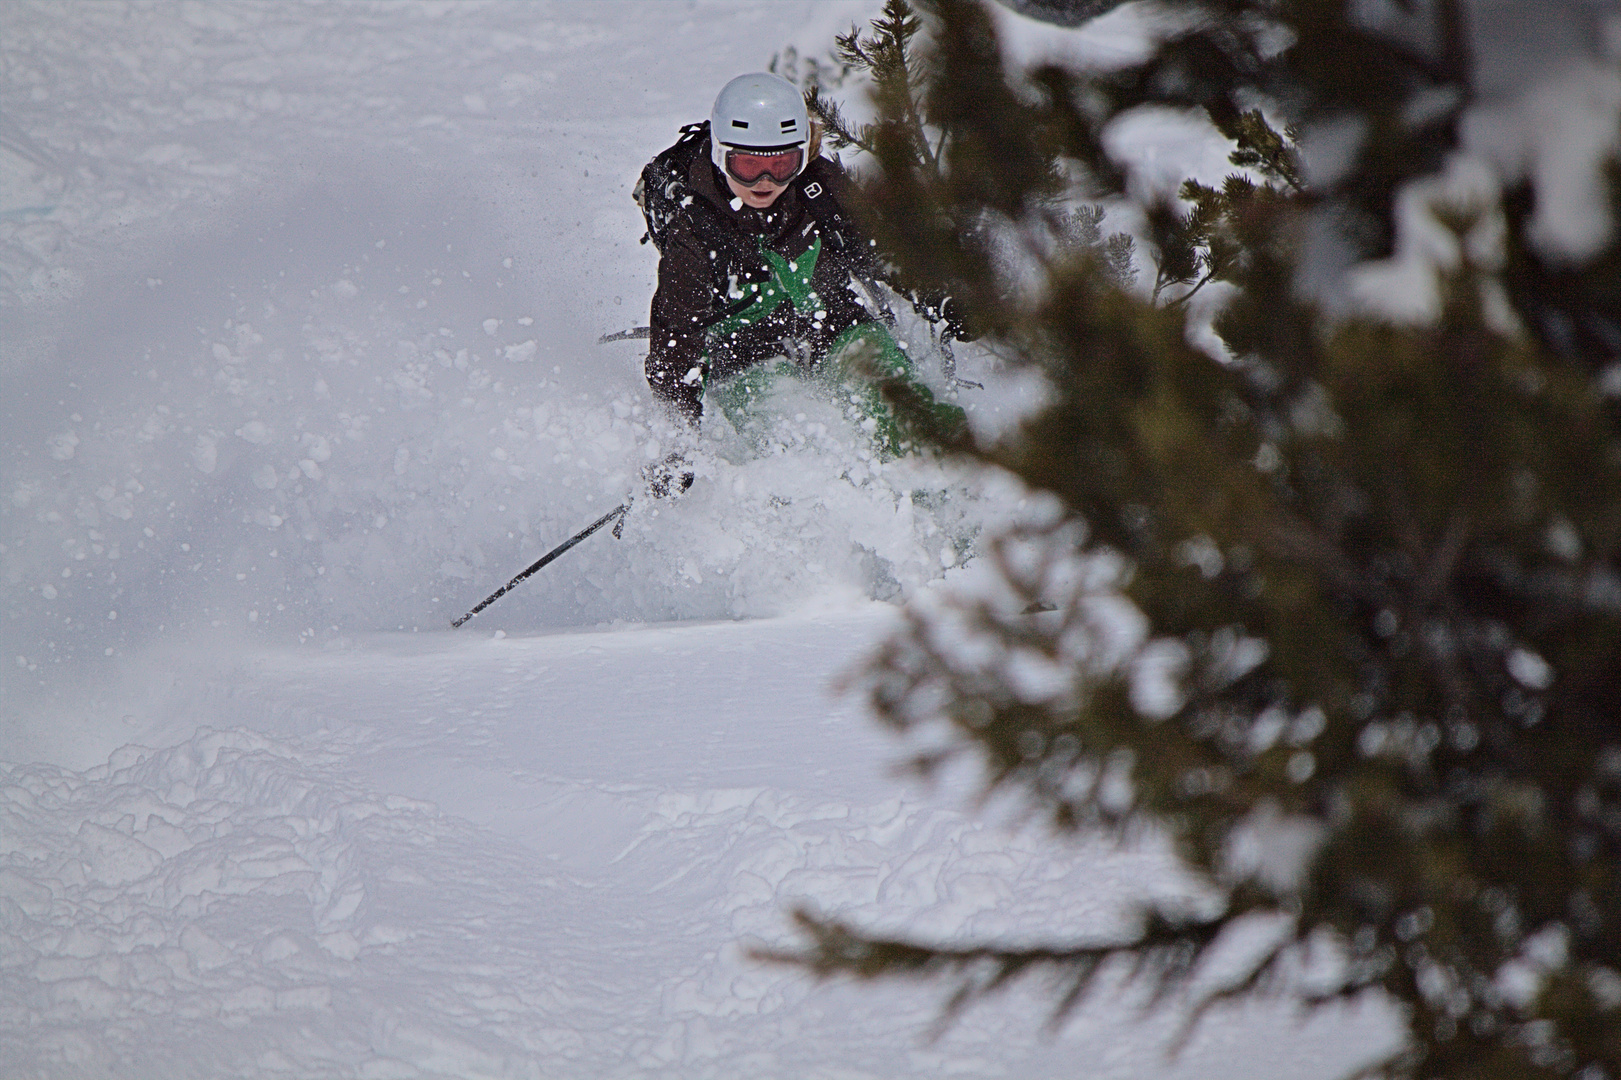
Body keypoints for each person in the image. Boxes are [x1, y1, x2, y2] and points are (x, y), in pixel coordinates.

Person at [637, 72, 969, 496]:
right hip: (741, 351)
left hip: (831, 321)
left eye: (780, 166)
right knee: (788, 440)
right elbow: (676, 336)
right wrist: (677, 444)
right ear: (721, 157)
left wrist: (940, 298)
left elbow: (882, 249)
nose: (765, 184)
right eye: (749, 166)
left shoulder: (818, 188)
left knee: (904, 409)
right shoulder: (695, 225)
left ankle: (957, 494)